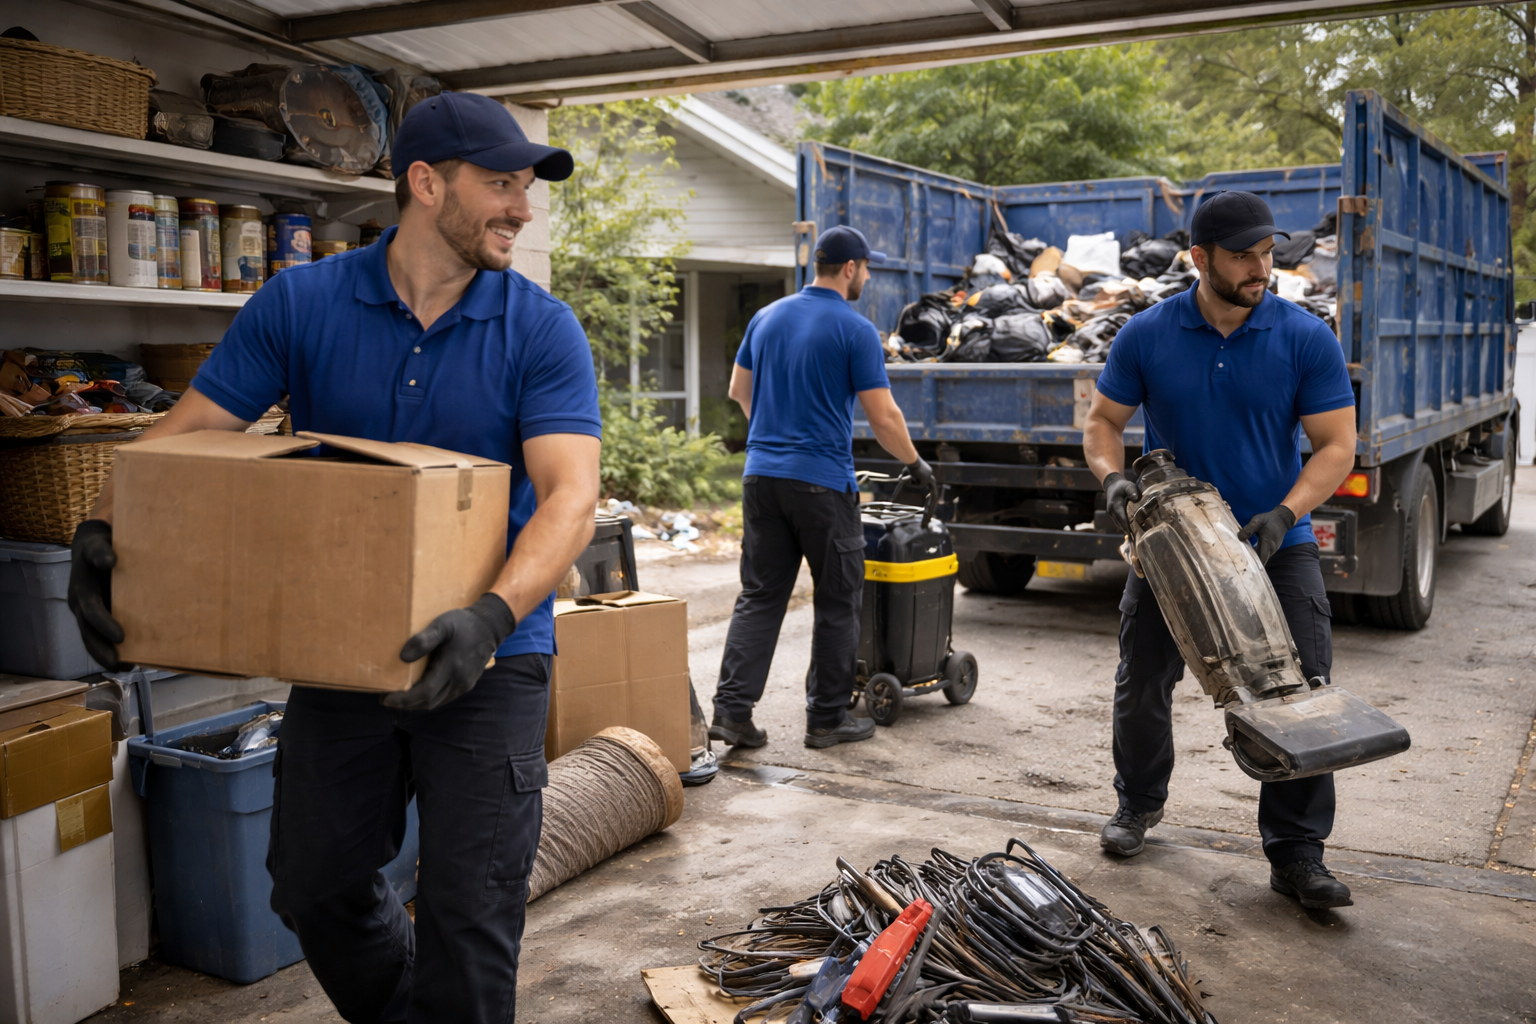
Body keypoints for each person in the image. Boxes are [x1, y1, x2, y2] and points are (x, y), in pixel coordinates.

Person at [66, 93, 601, 1021]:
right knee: (311, 882)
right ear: (427, 185)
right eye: (502, 184)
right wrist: (101, 531)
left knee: (472, 914)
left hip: (494, 657)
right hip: (345, 649)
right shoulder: (303, 302)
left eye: (525, 187)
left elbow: (570, 497)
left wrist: (491, 615)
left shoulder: (539, 328)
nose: (522, 207)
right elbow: (187, 437)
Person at [1082, 190, 1358, 910]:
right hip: (1174, 546)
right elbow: (1103, 423)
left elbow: (1337, 447)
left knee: (1302, 691)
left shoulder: (1305, 337)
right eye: (1242, 254)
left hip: (1276, 538)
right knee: (1141, 680)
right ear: (1199, 258)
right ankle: (1137, 804)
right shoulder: (1147, 335)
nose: (1260, 266)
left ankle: (1296, 852)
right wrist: (1113, 480)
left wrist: (1284, 513)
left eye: (1266, 252)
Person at [709, 226, 935, 751]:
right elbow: (883, 416)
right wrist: (916, 462)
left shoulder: (766, 317)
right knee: (837, 599)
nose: (869, 275)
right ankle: (827, 717)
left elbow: (739, 392)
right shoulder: (854, 330)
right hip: (821, 485)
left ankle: (732, 712)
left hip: (761, 477)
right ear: (851, 268)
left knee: (761, 596)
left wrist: (775, 437)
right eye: (867, 267)